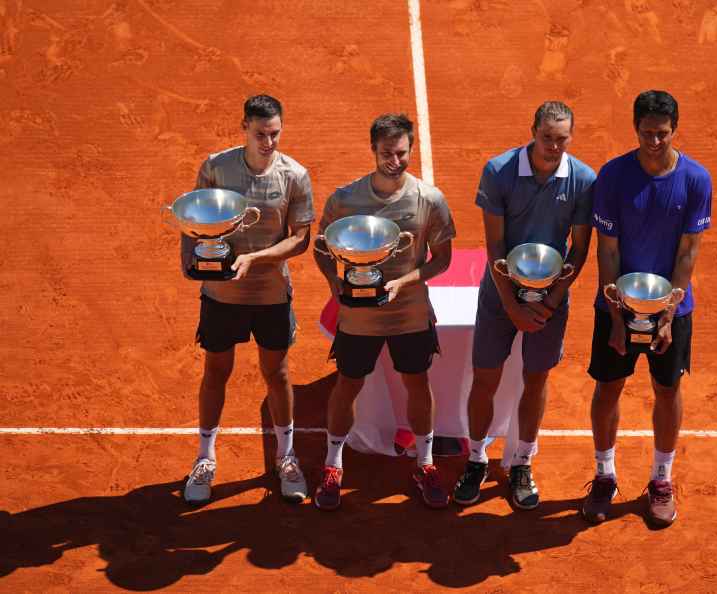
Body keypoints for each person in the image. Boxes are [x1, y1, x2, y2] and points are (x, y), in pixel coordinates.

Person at [453, 101, 596, 510]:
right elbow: (495, 247)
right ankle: (477, 459)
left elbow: (579, 249)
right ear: (532, 132)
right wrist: (513, 306)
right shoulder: (498, 172)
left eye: (562, 139)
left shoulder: (584, 180)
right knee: (486, 380)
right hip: (500, 294)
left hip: (552, 298)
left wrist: (550, 300)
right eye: (547, 137)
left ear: (571, 136)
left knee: (536, 380)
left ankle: (521, 462)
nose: (554, 146)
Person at [581, 89, 712, 527]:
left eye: (662, 134)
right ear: (634, 129)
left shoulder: (696, 180)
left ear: (675, 130)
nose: (654, 142)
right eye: (646, 133)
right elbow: (609, 252)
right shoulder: (614, 176)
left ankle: (661, 479)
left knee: (669, 391)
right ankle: (604, 475)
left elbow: (688, 252)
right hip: (616, 300)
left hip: (673, 305)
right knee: (609, 388)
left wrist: (669, 316)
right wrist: (617, 317)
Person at [313, 113, 456, 511]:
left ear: (410, 149)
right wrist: (334, 285)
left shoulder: (429, 200)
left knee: (416, 382)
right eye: (387, 153)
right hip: (359, 316)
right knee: (348, 384)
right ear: (373, 150)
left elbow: (442, 259)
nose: (395, 161)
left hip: (409, 312)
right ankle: (332, 465)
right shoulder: (346, 199)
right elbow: (322, 247)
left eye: (402, 152)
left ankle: (425, 463)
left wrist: (404, 282)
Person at [180, 94, 315, 504]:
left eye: (274, 134)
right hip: (221, 294)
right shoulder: (216, 167)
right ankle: (205, 458)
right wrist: (190, 261)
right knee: (217, 371)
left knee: (277, 373)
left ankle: (286, 456)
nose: (268, 143)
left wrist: (255, 259)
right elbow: (193, 220)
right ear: (244, 127)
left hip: (271, 294)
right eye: (261, 134)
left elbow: (300, 238)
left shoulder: (295, 176)